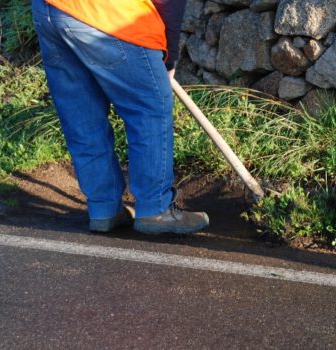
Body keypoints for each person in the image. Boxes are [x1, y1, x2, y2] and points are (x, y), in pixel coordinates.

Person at [30, 0, 209, 234]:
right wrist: (170, 55)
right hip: (111, 15)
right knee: (148, 109)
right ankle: (155, 209)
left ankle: (104, 209)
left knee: (82, 115)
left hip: (50, 12)